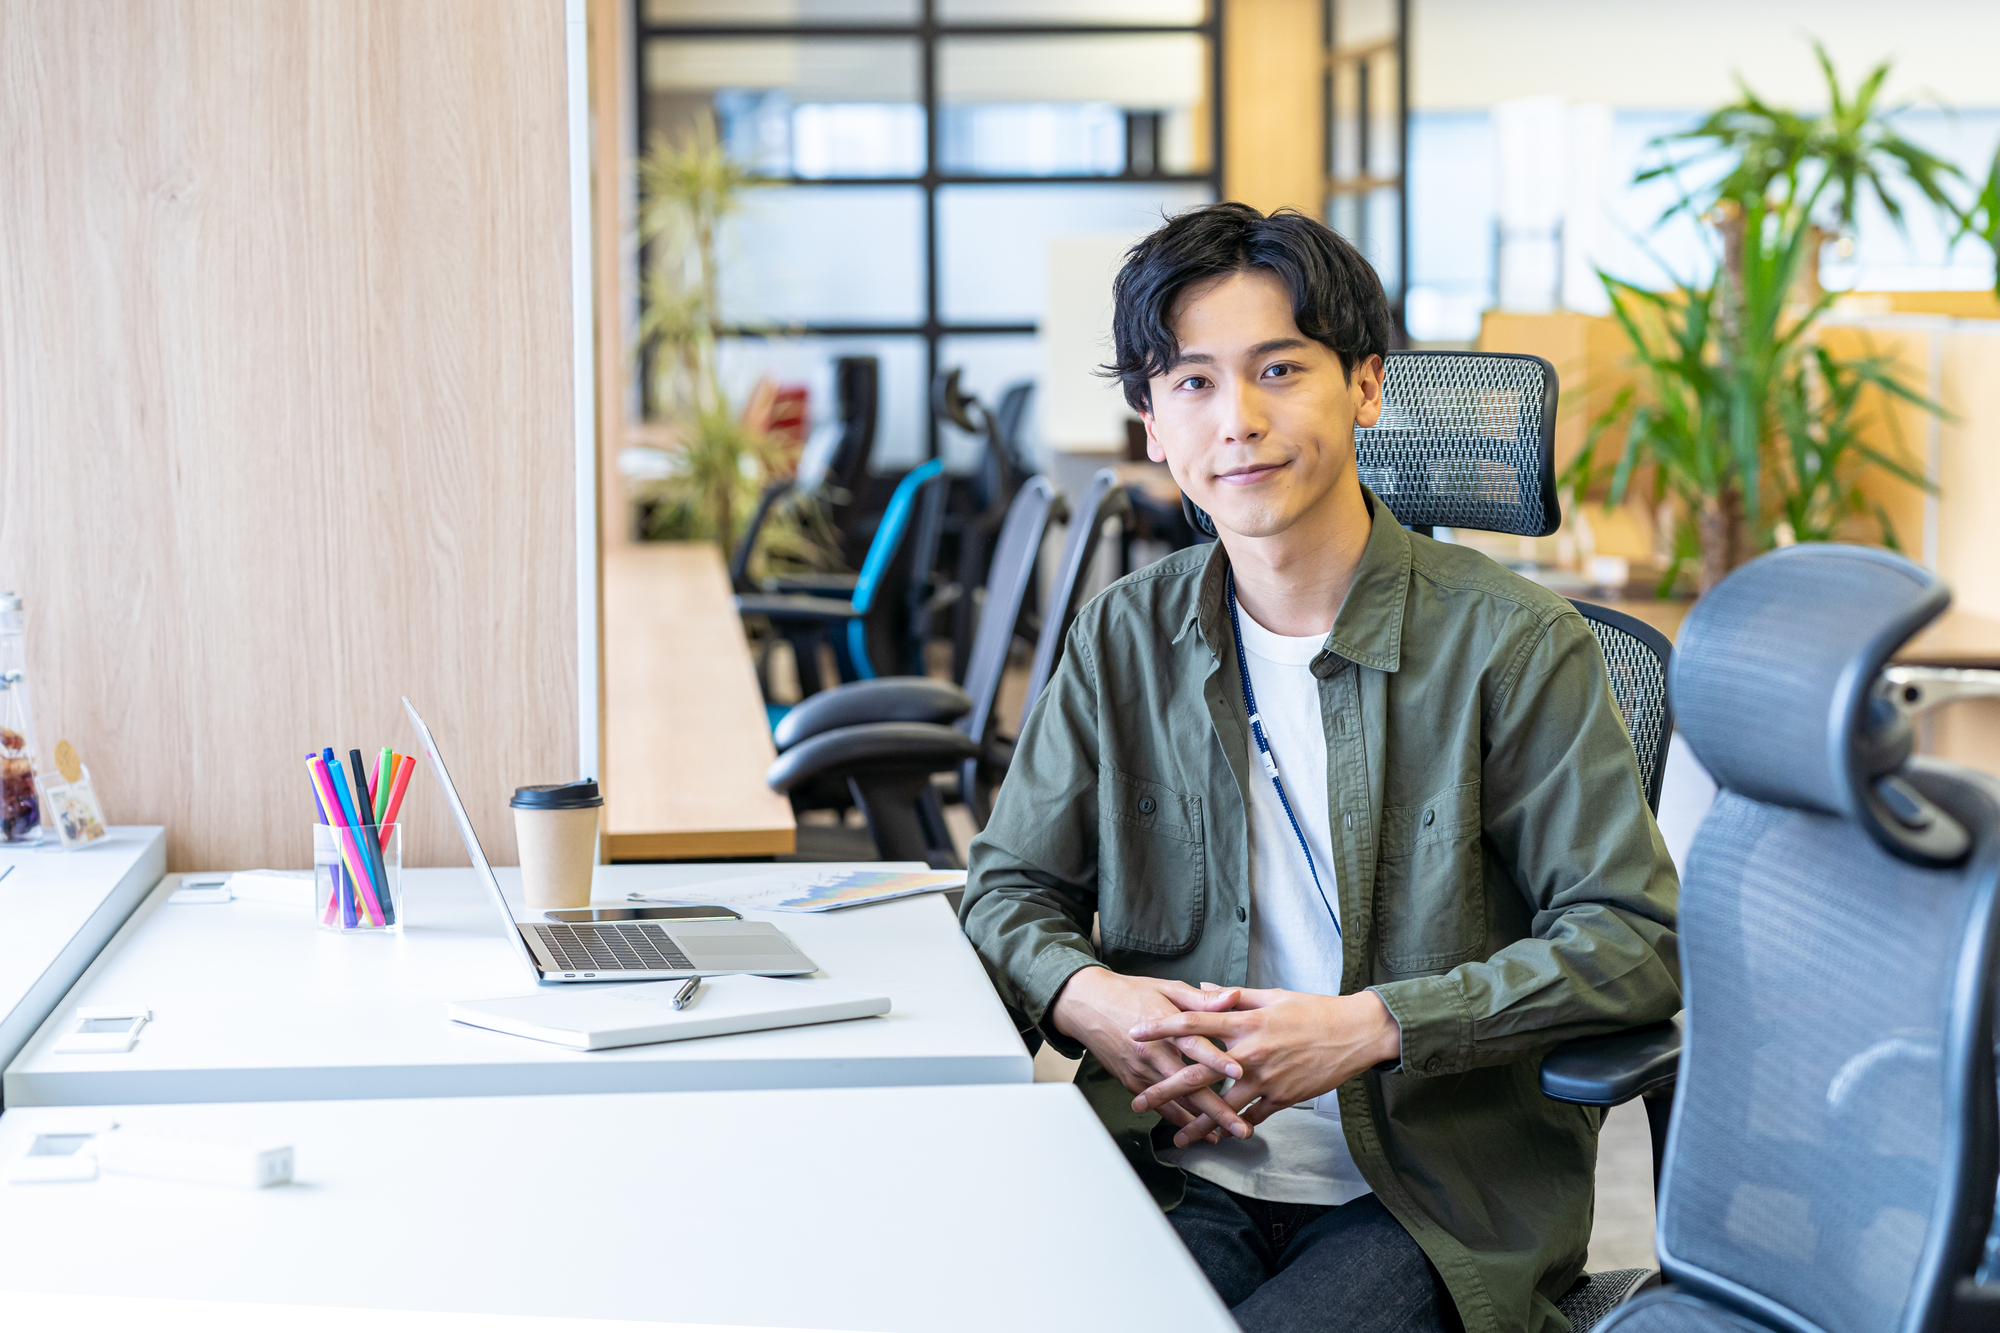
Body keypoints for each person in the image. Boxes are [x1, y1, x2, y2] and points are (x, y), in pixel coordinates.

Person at [960, 203, 1679, 1333]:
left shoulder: (1514, 643)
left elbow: (1632, 940)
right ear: (1152, 424)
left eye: (1279, 369)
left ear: (1364, 387)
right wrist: (1087, 996)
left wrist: (1369, 1027)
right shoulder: (1123, 634)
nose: (1237, 421)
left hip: (1429, 1196)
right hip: (1174, 1161)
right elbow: (1007, 888)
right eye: (1191, 383)